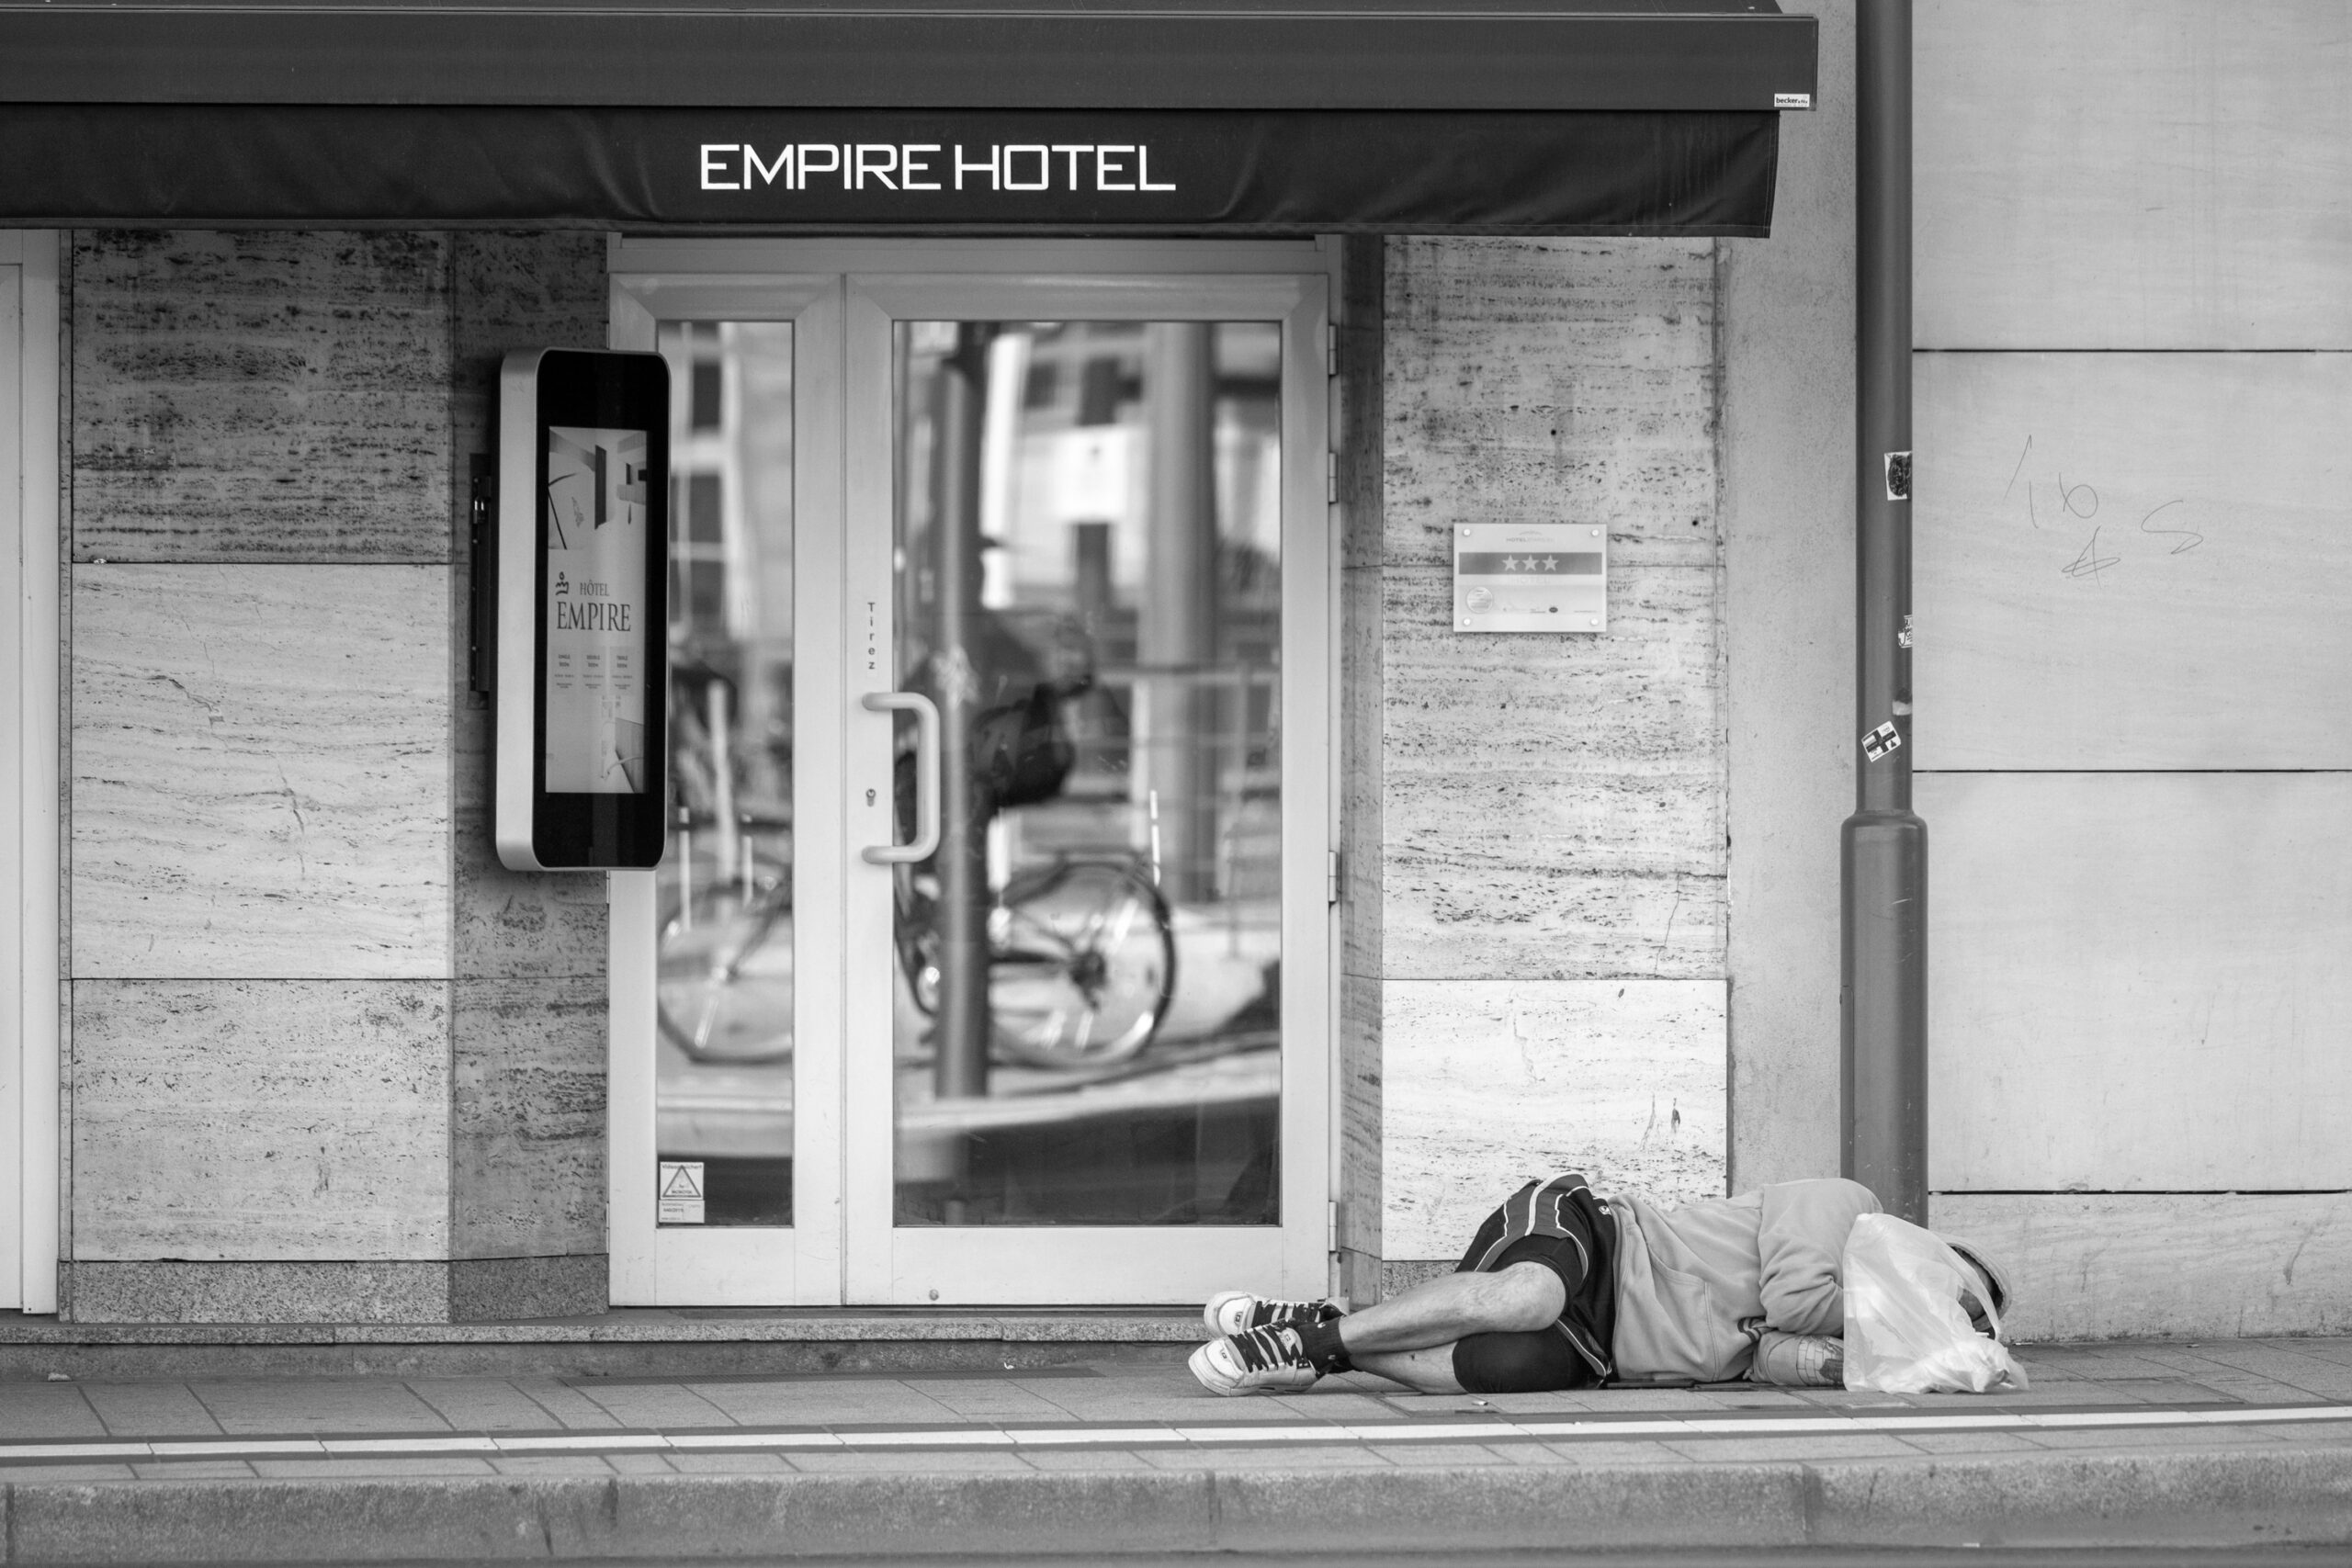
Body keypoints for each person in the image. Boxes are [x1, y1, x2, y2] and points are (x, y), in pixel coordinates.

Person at [1189, 1173, 2010, 1396]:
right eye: (1954, 1296)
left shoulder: (1850, 1321)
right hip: (1601, 1238)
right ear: (1929, 1253)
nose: (1940, 1312)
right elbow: (1793, 1300)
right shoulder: (1849, 1208)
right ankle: (1303, 1340)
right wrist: (1878, 1335)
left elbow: (1769, 1357)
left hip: (1604, 1348)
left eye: (1958, 1320)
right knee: (1530, 1298)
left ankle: (1330, 1335)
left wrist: (1858, 1366)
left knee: (1506, 1367)